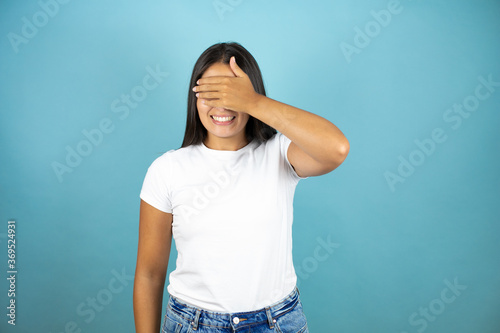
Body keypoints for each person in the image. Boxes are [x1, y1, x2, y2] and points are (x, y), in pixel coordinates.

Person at [133, 42, 349, 333]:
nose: (222, 105)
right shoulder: (167, 169)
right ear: (194, 99)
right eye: (211, 93)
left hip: (275, 322)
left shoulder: (280, 154)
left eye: (233, 94)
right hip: (192, 323)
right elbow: (149, 274)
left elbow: (336, 149)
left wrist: (254, 102)